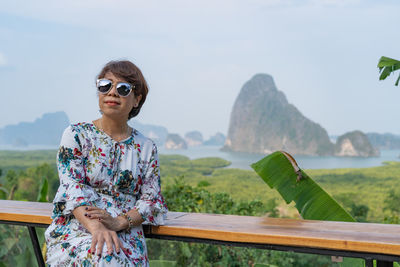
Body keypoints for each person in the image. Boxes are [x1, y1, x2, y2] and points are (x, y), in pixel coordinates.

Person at [44, 60, 168, 266]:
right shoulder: (76, 135)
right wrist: (96, 227)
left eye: (123, 88)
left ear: (137, 100)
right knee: (103, 257)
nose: (112, 92)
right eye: (105, 85)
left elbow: (152, 201)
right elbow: (72, 187)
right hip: (79, 231)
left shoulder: (146, 147)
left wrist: (118, 222)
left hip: (127, 237)